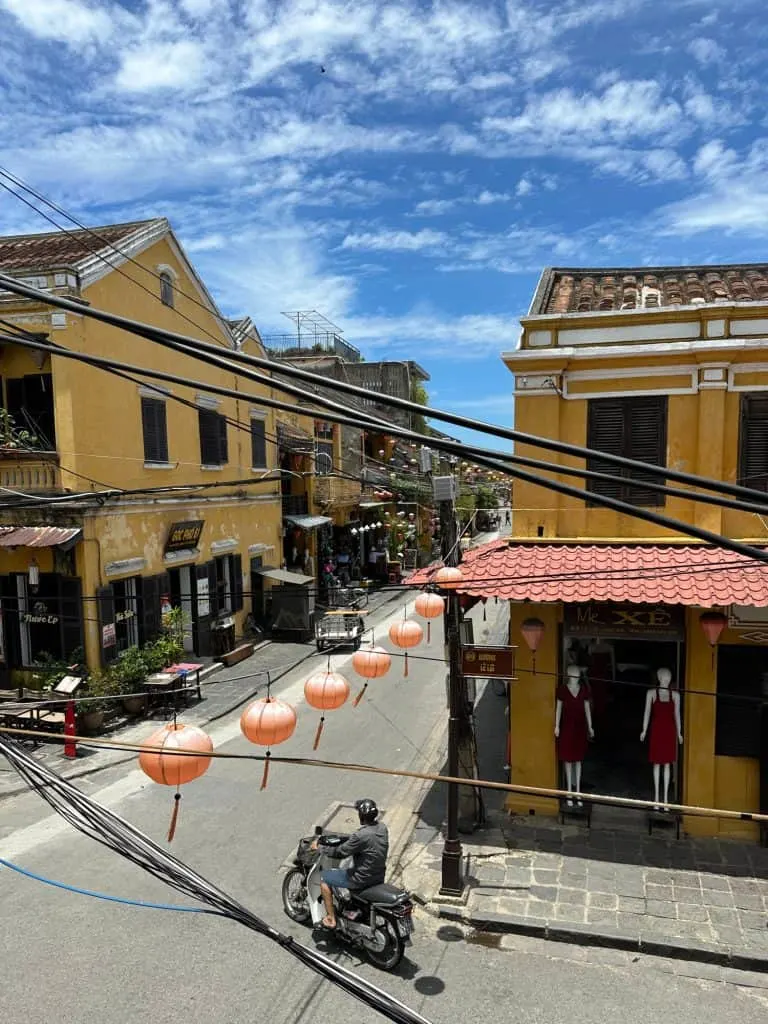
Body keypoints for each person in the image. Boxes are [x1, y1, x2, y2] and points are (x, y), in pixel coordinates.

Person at [312, 798, 389, 929]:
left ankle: (331, 919)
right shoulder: (382, 828)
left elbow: (341, 852)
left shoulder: (361, 836)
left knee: (325, 879)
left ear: (361, 815)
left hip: (361, 879)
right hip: (379, 875)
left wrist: (320, 848)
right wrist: (349, 839)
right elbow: (367, 842)